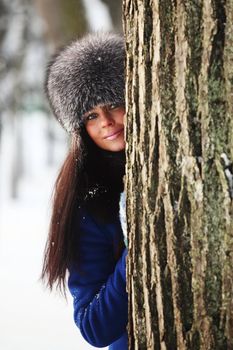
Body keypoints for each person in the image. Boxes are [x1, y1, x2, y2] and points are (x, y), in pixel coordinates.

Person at [42, 32, 128, 350]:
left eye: (114, 104)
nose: (106, 121)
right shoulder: (87, 201)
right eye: (91, 115)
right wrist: (136, 251)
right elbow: (95, 327)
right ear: (80, 128)